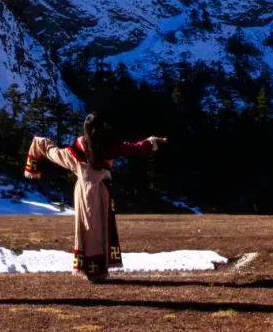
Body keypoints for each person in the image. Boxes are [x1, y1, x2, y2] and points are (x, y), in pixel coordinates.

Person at [24, 114, 166, 282]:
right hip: (103, 192)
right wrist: (151, 142)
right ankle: (100, 268)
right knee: (103, 228)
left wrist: (40, 143)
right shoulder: (109, 148)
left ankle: (91, 268)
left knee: (88, 229)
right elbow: (133, 147)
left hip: (84, 195)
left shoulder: (75, 151)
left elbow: (54, 153)